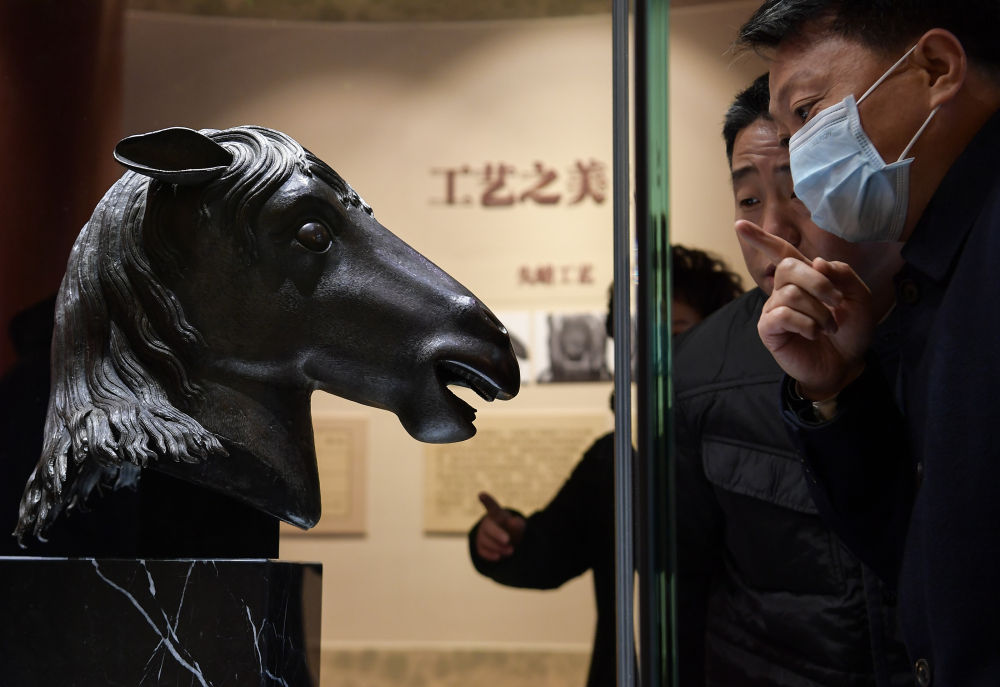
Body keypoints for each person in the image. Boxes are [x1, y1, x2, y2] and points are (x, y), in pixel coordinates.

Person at [735, 2, 1000, 684]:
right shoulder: (937, 270)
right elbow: (925, 556)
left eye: (808, 112)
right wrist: (836, 390)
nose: (800, 159)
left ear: (936, 67)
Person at [673, 74, 911, 686]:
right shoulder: (702, 366)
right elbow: (685, 577)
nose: (775, 229)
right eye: (749, 200)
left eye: (800, 187)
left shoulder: (935, 318)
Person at [468, 251, 741, 687]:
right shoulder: (614, 459)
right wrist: (506, 539)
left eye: (677, 333)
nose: (656, 354)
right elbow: (549, 557)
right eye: (638, 339)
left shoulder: (743, 453)